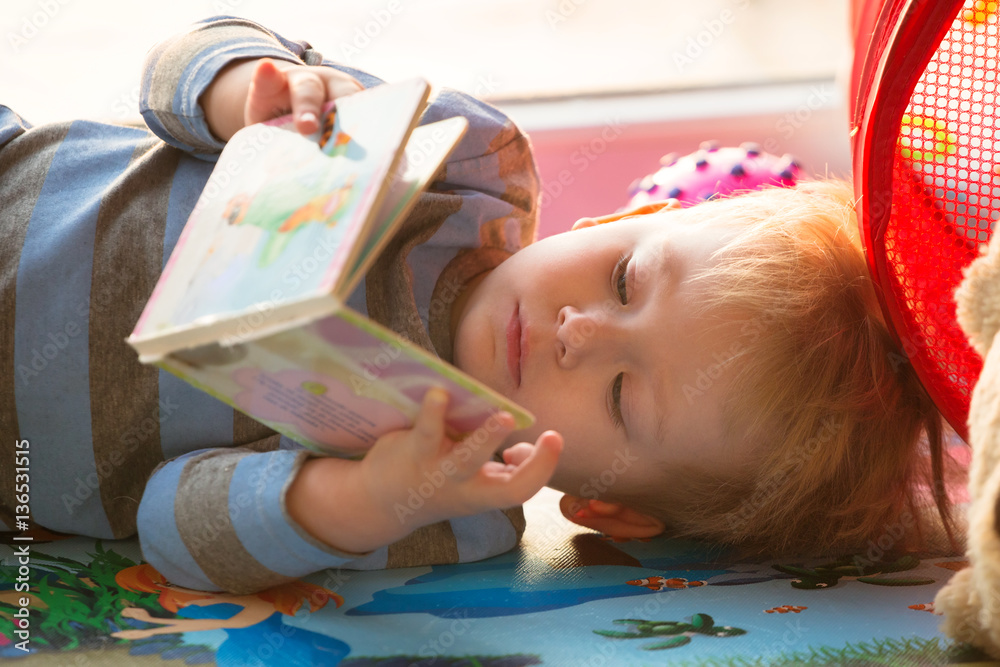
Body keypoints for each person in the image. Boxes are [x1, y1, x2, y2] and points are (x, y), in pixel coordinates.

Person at [0, 17, 956, 595]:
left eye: (624, 397)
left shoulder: (455, 507)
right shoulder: (468, 170)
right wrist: (253, 93)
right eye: (624, 277)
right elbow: (174, 67)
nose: (579, 333)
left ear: (607, 506)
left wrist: (368, 497)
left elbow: (172, 525)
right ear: (630, 211)